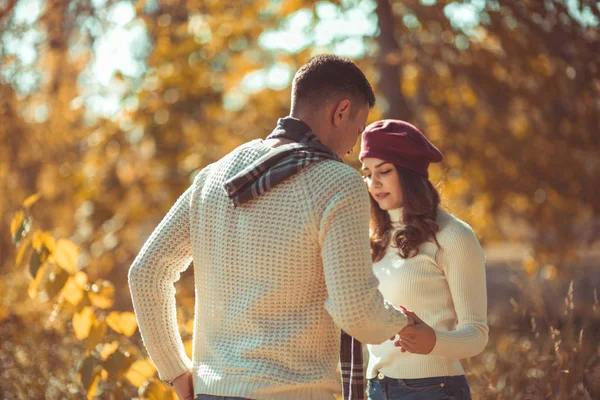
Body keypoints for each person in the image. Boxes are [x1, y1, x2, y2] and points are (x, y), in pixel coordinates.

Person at [128, 55, 413, 400]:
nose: (353, 148)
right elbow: (356, 312)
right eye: (356, 129)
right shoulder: (338, 182)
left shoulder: (214, 176)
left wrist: (175, 370)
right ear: (341, 111)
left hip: (213, 392)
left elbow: (146, 273)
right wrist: (406, 324)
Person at [358, 120, 489, 400]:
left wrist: (433, 341)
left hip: (432, 390)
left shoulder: (453, 236)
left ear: (409, 172)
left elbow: (477, 334)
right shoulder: (372, 238)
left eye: (384, 171)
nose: (374, 182)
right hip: (377, 388)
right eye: (367, 173)